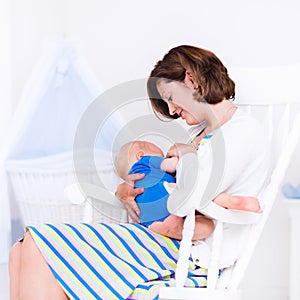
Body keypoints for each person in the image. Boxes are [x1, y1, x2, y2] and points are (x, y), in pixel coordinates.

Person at [9, 45, 269, 299]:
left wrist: (178, 166)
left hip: (194, 253)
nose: (170, 110)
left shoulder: (242, 131)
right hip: (168, 240)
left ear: (190, 80)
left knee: (39, 243)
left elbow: (187, 197)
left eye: (169, 98)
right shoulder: (198, 136)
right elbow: (170, 185)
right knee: (19, 250)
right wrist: (129, 191)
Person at [115, 140, 261, 229]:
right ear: (141, 155)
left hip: (150, 218)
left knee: (196, 214)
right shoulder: (145, 162)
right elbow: (172, 165)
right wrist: (177, 157)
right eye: (160, 155)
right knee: (199, 192)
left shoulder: (131, 188)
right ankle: (230, 201)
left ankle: (176, 229)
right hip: (168, 191)